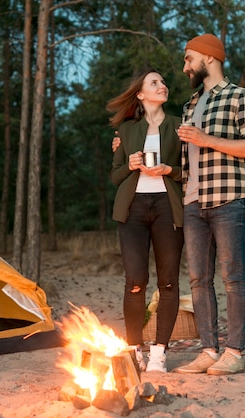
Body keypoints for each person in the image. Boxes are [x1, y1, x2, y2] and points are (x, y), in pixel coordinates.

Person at [173, 34, 245, 375]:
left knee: (232, 278)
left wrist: (207, 139)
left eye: (188, 59)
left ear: (208, 58)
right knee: (198, 280)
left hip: (229, 199)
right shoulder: (189, 105)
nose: (185, 67)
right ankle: (208, 351)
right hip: (193, 202)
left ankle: (234, 353)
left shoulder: (240, 97)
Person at [107, 69, 184, 373]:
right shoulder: (126, 131)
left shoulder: (179, 127)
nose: (162, 85)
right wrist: (129, 164)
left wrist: (169, 171)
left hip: (168, 208)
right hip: (133, 210)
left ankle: (159, 354)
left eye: (163, 82)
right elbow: (115, 177)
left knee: (168, 281)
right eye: (155, 82)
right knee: (135, 281)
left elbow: (189, 172)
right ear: (140, 94)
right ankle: (135, 350)